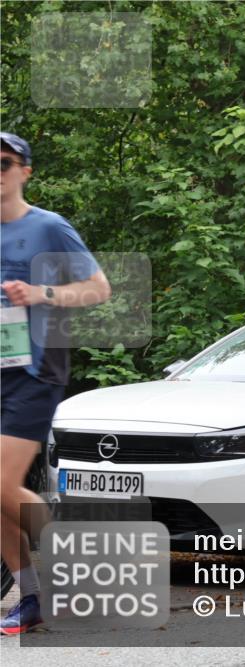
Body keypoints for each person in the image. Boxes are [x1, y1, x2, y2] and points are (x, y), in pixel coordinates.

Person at [0, 132, 111, 634]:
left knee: (1, 483)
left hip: (36, 368)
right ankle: (31, 597)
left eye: (5, 163)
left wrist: (40, 292)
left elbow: (98, 289)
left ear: (25, 171)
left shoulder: (50, 228)